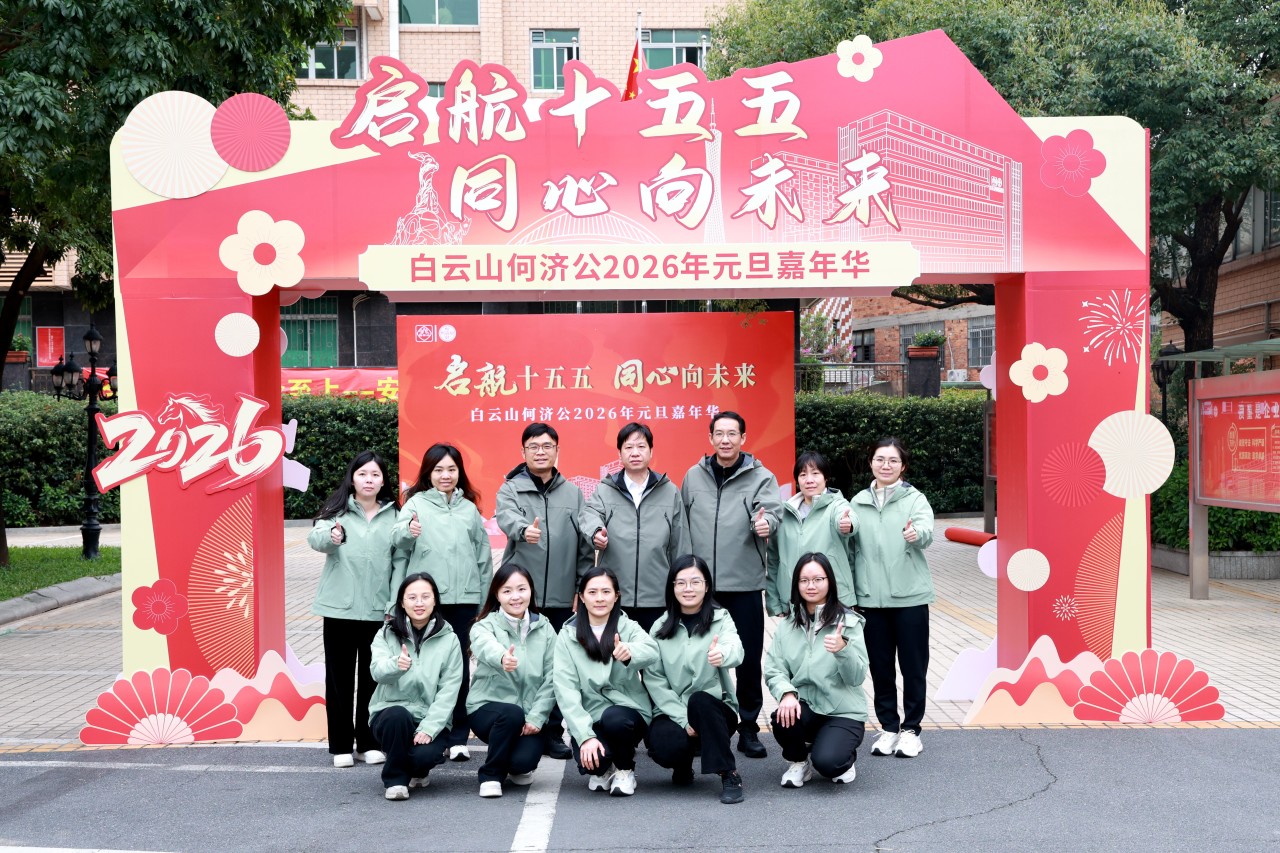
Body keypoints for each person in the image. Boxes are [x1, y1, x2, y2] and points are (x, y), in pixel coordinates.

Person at [681, 410, 781, 759]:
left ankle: (749, 726)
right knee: (699, 657)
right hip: (701, 587)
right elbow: (682, 523)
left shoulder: (761, 476)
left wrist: (766, 523)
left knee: (747, 658)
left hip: (744, 584)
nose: (725, 440)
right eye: (719, 434)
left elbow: (771, 512)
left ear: (743, 438)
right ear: (710, 438)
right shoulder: (693, 476)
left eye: (732, 434)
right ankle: (701, 725)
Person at [495, 422, 594, 760]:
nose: (540, 452)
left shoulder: (573, 493)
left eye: (547, 446)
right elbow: (506, 518)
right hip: (523, 598)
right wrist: (524, 530)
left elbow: (584, 547)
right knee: (523, 664)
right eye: (534, 446)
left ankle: (552, 731)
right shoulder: (511, 488)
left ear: (557, 451)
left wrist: (581, 587)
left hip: (562, 595)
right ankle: (518, 725)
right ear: (523, 452)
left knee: (557, 666)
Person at [393, 443, 491, 762]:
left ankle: (459, 735)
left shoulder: (469, 509)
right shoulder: (415, 503)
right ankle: (431, 731)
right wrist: (408, 531)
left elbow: (483, 558)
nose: (445, 475)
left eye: (451, 469)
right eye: (438, 470)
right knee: (429, 669)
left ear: (459, 472)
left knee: (459, 670)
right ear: (428, 473)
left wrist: (484, 603)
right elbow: (397, 540)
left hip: (465, 601)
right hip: (428, 604)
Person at [307, 450, 405, 769]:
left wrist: (393, 604)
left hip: (379, 610)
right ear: (352, 478)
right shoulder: (337, 512)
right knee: (339, 680)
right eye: (363, 474)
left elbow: (400, 561)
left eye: (375, 474)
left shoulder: (395, 515)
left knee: (372, 679)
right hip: (339, 610)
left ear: (383, 481)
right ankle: (340, 745)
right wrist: (332, 537)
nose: (369, 480)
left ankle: (368, 742)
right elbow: (316, 537)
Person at [848, 437, 935, 759]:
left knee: (913, 668)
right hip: (870, 600)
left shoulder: (915, 499)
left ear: (903, 466)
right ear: (871, 462)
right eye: (880, 459)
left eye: (893, 461)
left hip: (909, 598)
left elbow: (926, 531)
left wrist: (916, 534)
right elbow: (849, 546)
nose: (886, 465)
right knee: (880, 668)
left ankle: (911, 730)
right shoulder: (857, 502)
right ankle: (888, 728)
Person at [645, 555, 746, 805]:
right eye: (681, 583)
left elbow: (736, 648)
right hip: (673, 711)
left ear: (707, 586)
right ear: (672, 587)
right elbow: (654, 680)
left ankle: (729, 773)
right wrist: (682, 718)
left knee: (700, 701)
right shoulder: (659, 627)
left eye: (695, 582)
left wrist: (722, 654)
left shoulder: (721, 618)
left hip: (715, 711)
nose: (688, 589)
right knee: (663, 745)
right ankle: (682, 763)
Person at [764, 553, 869, 788]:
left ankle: (843, 757)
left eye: (818, 579)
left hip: (843, 711)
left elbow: (857, 677)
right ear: (796, 584)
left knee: (829, 764)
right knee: (782, 717)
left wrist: (843, 650)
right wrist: (786, 693)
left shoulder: (849, 623)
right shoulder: (788, 625)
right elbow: (774, 669)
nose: (811, 586)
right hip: (807, 705)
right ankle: (799, 762)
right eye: (804, 580)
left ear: (829, 581)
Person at [552, 566, 659, 796]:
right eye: (592, 592)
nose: (599, 598)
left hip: (628, 711)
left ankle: (624, 769)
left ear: (616, 596)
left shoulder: (627, 626)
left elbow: (652, 651)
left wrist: (630, 652)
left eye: (606, 592)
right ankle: (605, 767)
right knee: (595, 763)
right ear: (581, 597)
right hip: (590, 716)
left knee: (615, 719)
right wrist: (585, 736)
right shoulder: (567, 635)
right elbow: (565, 690)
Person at [581, 422, 690, 631]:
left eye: (641, 447)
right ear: (620, 453)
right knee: (616, 650)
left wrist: (683, 588)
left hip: (658, 597)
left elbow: (681, 545)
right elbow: (589, 514)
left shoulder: (670, 492)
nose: (635, 453)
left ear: (651, 451)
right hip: (614, 597)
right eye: (628, 447)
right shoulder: (605, 490)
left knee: (655, 650)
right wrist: (595, 532)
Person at [368, 573, 464, 800]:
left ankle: (417, 770)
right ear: (402, 603)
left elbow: (449, 690)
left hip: (429, 716)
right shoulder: (386, 633)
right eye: (412, 597)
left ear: (435, 600)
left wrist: (429, 727)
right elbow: (377, 671)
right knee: (397, 716)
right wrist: (396, 665)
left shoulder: (449, 639)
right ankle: (395, 781)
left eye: (425, 597)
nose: (419, 603)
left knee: (423, 758)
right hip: (390, 713)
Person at [467, 563, 557, 798]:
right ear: (496, 594)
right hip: (488, 708)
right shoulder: (484, 625)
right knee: (510, 713)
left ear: (530, 591)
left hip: (529, 715)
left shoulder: (545, 628)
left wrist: (537, 717)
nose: (515, 597)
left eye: (521, 589)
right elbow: (484, 645)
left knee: (522, 764)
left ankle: (510, 759)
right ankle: (491, 775)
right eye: (507, 591)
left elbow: (553, 676)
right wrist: (501, 657)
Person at [766, 451, 855, 617]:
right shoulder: (783, 512)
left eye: (815, 473)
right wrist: (774, 603)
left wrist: (847, 524)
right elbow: (773, 561)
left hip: (834, 601)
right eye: (803, 475)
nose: (809, 480)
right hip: (792, 601)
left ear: (826, 477)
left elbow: (848, 519)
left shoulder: (838, 505)